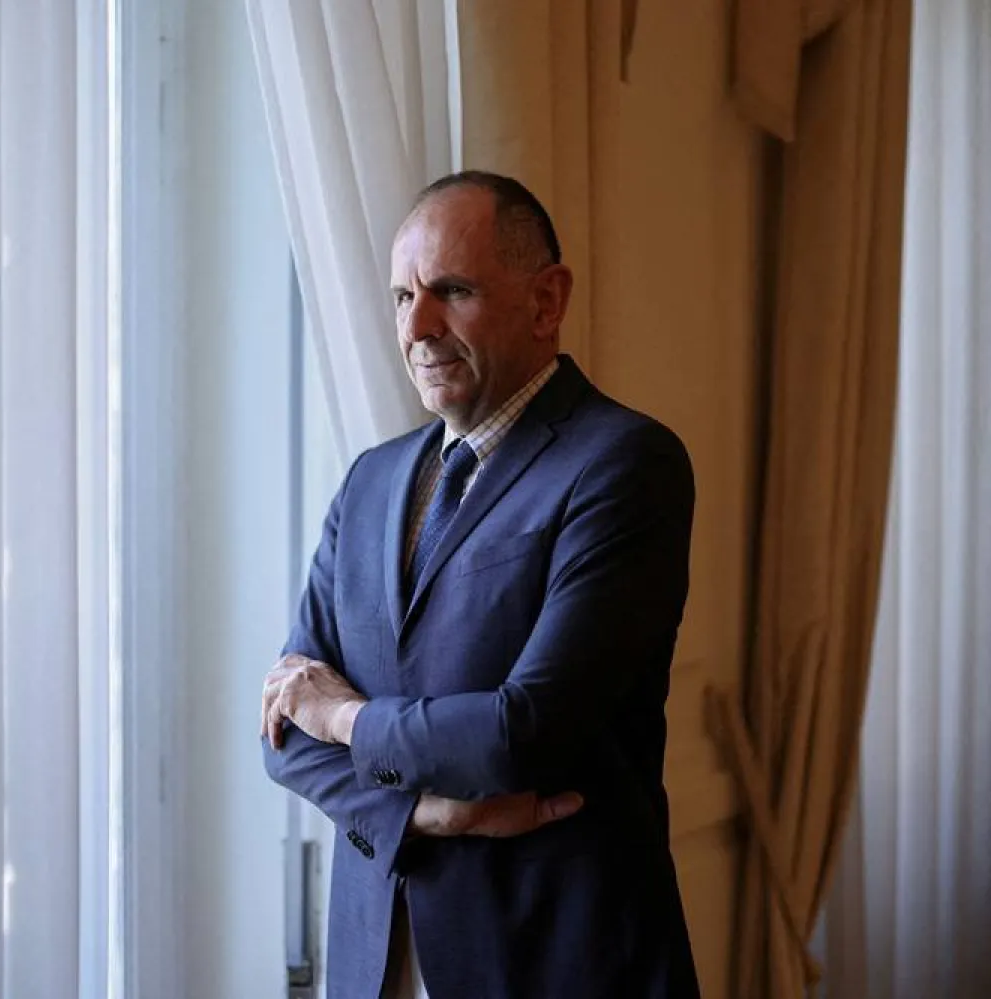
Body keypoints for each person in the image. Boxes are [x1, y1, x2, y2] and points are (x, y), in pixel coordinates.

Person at [259, 171, 701, 998]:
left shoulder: (625, 466)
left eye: (450, 291)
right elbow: (282, 732)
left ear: (546, 300)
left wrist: (343, 716)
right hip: (373, 961)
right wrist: (424, 812)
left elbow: (521, 730)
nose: (416, 326)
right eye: (400, 296)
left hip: (554, 962)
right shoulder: (369, 480)